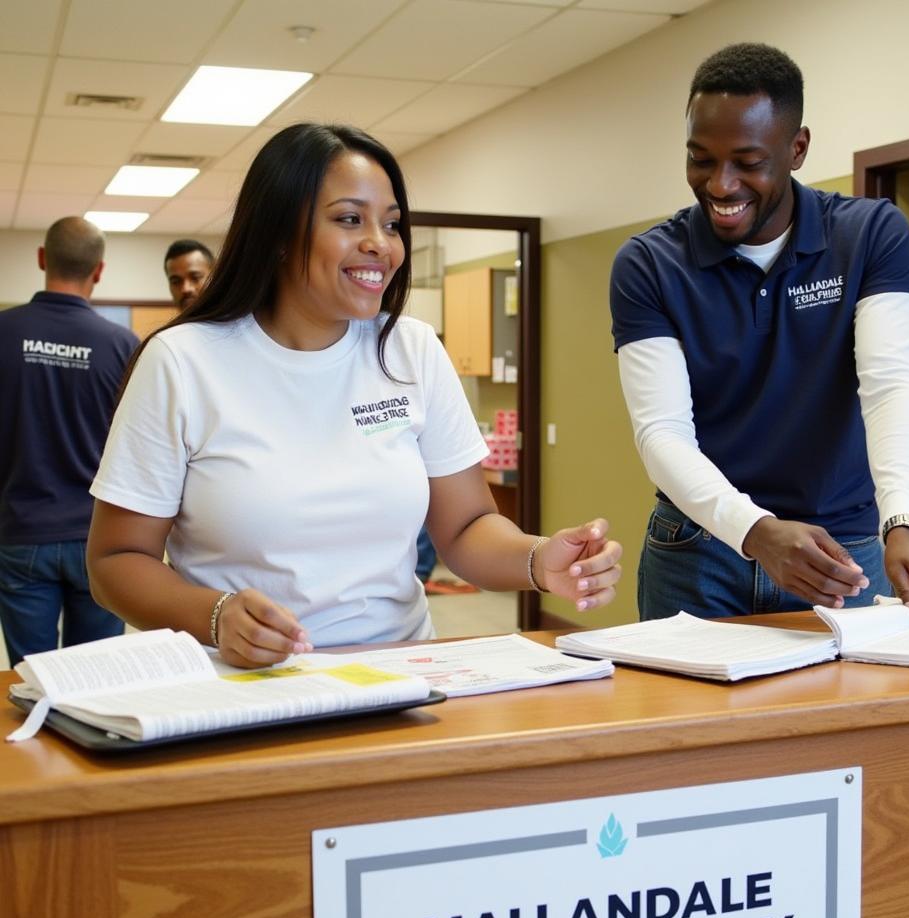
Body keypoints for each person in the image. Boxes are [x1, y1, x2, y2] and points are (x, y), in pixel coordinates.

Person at [88, 123, 622, 668]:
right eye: (349, 219)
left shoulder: (410, 350)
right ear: (276, 232)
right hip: (243, 687)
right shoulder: (182, 361)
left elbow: (464, 529)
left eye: (392, 224)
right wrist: (216, 614)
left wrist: (537, 559)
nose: (381, 244)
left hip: (399, 673)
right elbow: (115, 560)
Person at [611, 42, 909, 629]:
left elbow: (891, 386)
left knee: (849, 718)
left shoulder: (870, 235)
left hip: (843, 549)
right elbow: (662, 432)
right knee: (692, 722)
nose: (720, 185)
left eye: (747, 161)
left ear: (797, 148)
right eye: (700, 159)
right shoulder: (649, 263)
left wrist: (904, 521)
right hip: (700, 550)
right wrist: (754, 531)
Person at [0, 216, 137, 665]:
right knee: (98, 677)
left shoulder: (4, 332)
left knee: (28, 678)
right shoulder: (121, 345)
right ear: (98, 270)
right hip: (98, 537)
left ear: (42, 258)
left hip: (21, 532)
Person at [164, 239, 214, 311]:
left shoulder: (232, 320)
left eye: (195, 278)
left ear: (214, 278)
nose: (185, 289)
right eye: (176, 282)